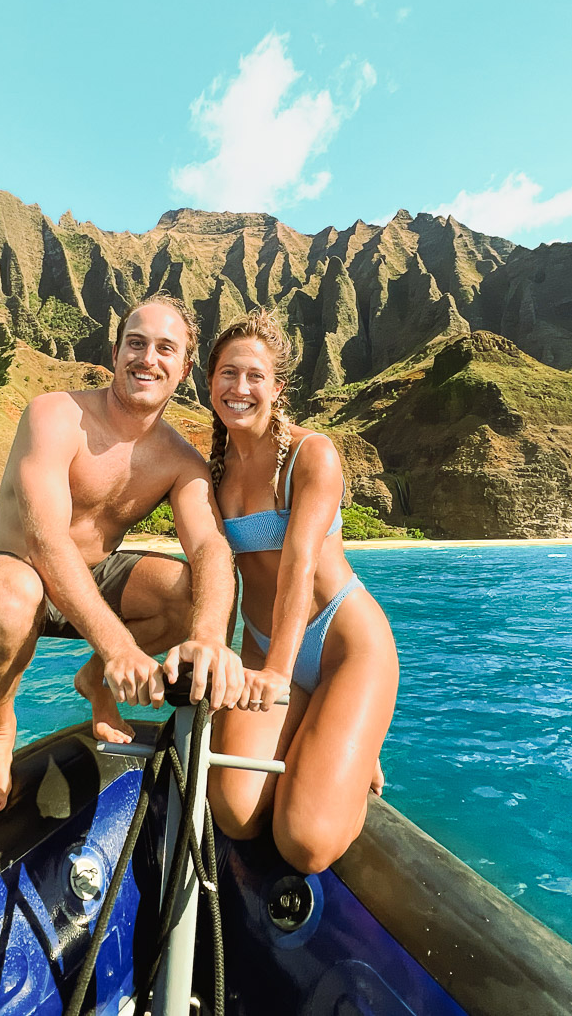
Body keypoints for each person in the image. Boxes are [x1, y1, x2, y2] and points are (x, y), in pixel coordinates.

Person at [0, 294, 245, 813]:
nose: (146, 358)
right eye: (135, 343)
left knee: (190, 592)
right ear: (115, 352)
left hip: (93, 575)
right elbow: (45, 540)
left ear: (185, 368)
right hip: (10, 566)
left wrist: (207, 639)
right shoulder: (55, 414)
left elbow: (211, 549)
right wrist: (119, 649)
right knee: (12, 595)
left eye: (164, 348)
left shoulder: (179, 460)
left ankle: (93, 683)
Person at [204, 308, 399, 874]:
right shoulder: (210, 471)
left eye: (255, 376)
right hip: (264, 647)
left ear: (277, 387)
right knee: (236, 814)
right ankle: (326, 730)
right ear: (210, 381)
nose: (240, 389)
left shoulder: (312, 456)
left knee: (304, 843)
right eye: (228, 374)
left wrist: (278, 678)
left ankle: (349, 738)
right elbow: (217, 573)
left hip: (345, 648)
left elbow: (299, 566)